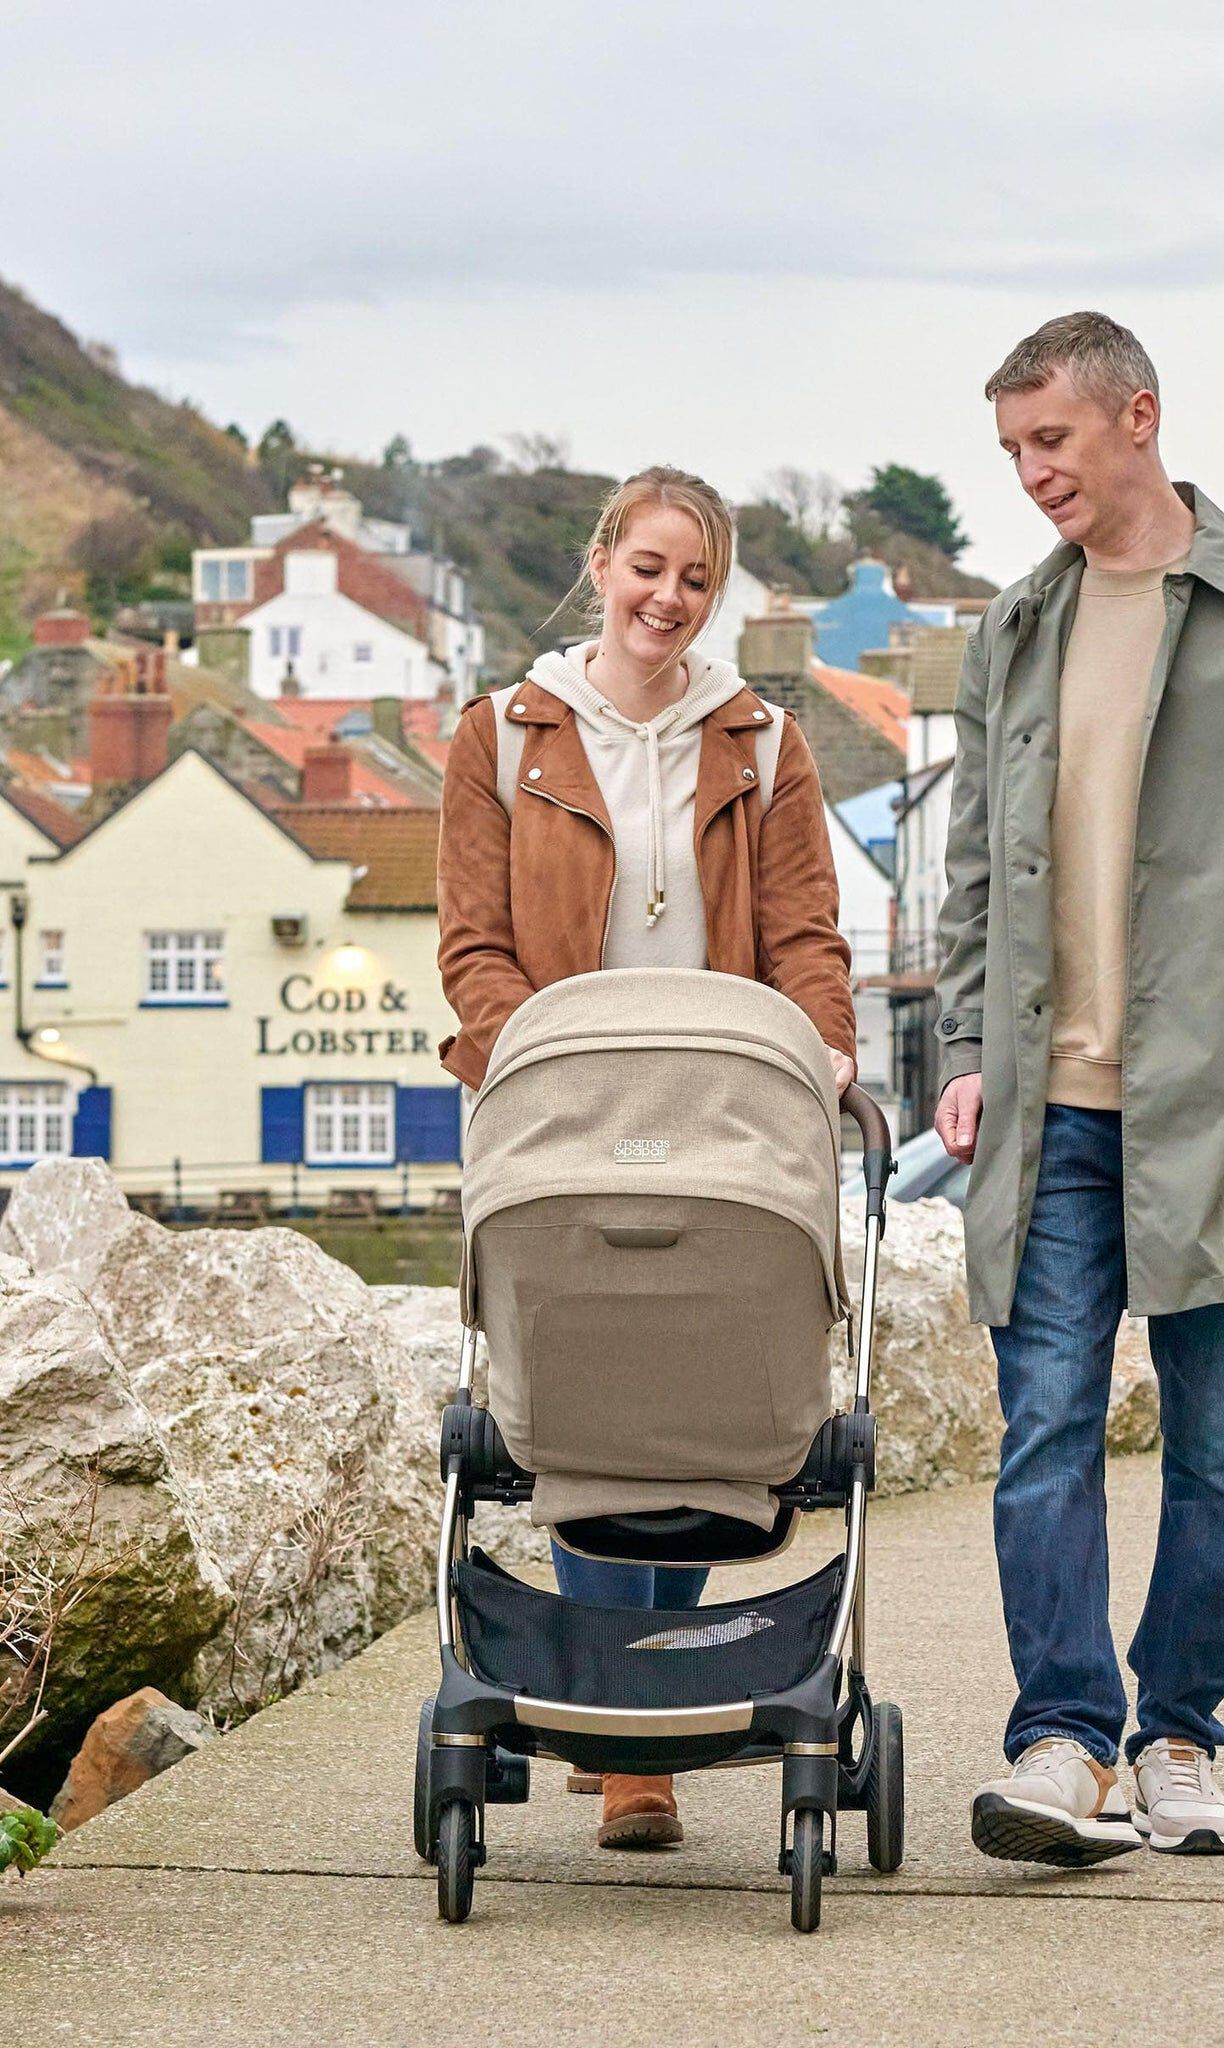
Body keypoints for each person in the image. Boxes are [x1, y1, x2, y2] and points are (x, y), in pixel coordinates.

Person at [935, 312, 1224, 1867]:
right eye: (1009, 451)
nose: (1030, 475)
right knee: (1043, 1430)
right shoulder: (1013, 628)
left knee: (1220, 1453)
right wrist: (957, 1059)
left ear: (1139, 417)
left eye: (1050, 440)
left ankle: (1180, 1733)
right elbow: (975, 869)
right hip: (1046, 1103)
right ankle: (1064, 1742)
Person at [437, 464, 856, 1850]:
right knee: (586, 1382)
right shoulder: (504, 738)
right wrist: (529, 1054)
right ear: (603, 560)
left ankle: (638, 1724)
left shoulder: (763, 744)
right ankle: (635, 1747)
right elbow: (474, 945)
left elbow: (802, 934)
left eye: (696, 580)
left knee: (695, 1378)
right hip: (567, 1104)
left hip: (722, 1106)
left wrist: (826, 1052)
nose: (667, 600)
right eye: (649, 568)